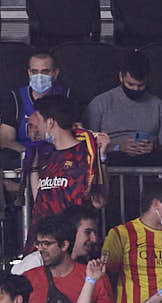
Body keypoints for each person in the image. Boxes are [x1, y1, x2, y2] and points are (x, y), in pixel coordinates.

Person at [25, 94, 106, 251]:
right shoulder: (44, 154)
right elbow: (39, 199)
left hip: (68, 247)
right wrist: (34, 169)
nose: (34, 126)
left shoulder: (86, 154)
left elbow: (99, 201)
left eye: (38, 120)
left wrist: (102, 158)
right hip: (41, 244)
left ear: (50, 123)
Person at [84, 50, 162, 166]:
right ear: (121, 77)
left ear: (148, 79)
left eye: (141, 85)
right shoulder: (100, 103)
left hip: (149, 161)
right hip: (114, 161)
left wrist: (154, 147)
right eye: (130, 84)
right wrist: (117, 147)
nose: (135, 89)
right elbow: (85, 145)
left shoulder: (160, 106)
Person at [0, 52, 68, 158]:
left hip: (59, 156)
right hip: (24, 154)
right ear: (29, 73)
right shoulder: (15, 98)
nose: (39, 77)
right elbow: (6, 141)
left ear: (55, 73)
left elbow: (76, 135)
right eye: (34, 72)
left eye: (45, 72)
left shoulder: (66, 96)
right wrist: (34, 155)